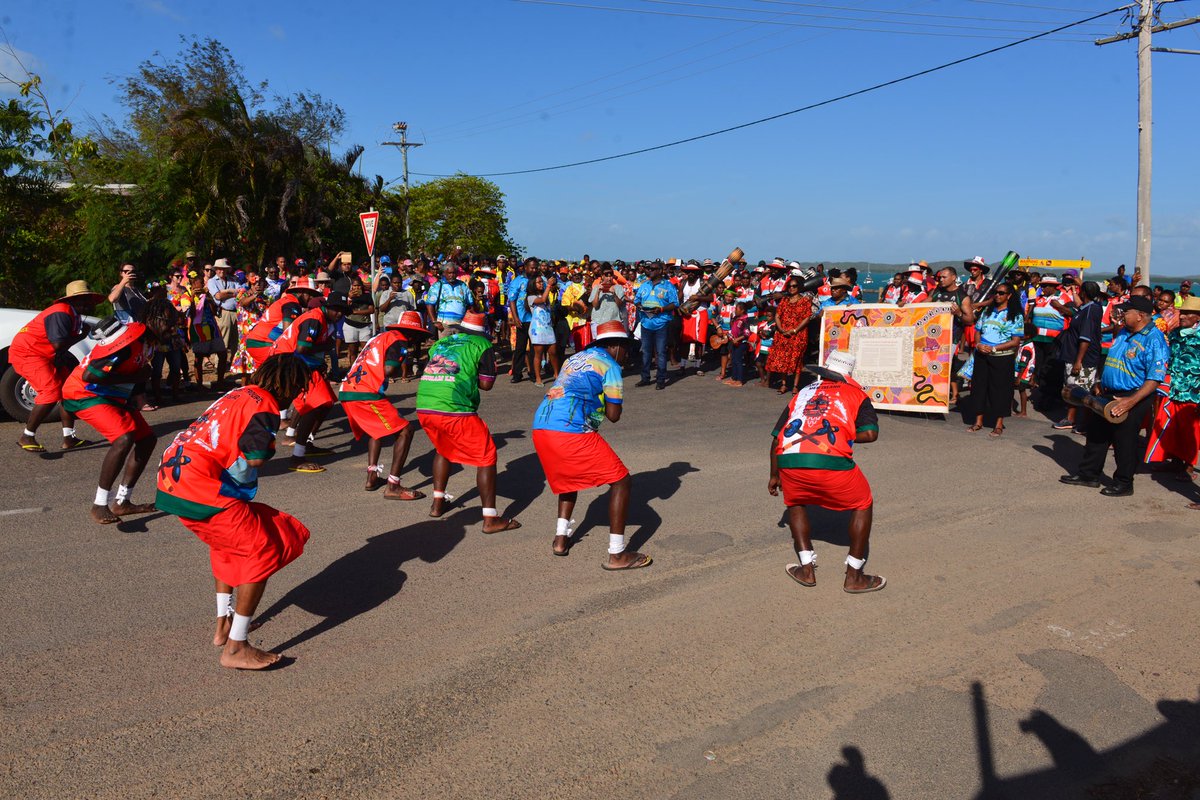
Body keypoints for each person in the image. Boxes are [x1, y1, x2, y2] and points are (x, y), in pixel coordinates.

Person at [155, 354, 312, 670]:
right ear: (290, 385)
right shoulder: (265, 405)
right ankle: (236, 646)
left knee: (227, 545)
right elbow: (255, 457)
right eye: (298, 389)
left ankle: (223, 624)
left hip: (173, 481)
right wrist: (273, 438)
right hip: (202, 487)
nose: (296, 395)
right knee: (263, 549)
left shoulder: (237, 393)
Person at [531, 321, 650, 569]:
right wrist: (611, 398)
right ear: (616, 346)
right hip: (570, 429)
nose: (627, 354)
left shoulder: (575, 358)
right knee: (621, 481)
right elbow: (614, 415)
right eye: (626, 348)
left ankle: (561, 538)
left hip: (542, 423)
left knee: (568, 478)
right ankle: (617, 554)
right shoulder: (611, 366)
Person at [768, 351, 884, 593]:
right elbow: (871, 434)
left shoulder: (804, 392)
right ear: (848, 375)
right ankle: (854, 576)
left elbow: (777, 436)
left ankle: (806, 568)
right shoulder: (856, 394)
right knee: (863, 502)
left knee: (796, 502)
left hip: (787, 458)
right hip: (829, 459)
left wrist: (774, 475)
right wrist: (845, 436)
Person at [63, 299, 177, 524]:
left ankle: (122, 501)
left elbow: (134, 371)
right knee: (123, 438)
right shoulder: (128, 339)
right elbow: (90, 376)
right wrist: (136, 377)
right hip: (84, 393)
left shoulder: (150, 342)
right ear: (152, 319)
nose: (173, 327)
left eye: (176, 322)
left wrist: (136, 393)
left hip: (111, 394)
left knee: (146, 439)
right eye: (169, 322)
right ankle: (99, 504)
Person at [415, 311, 521, 532]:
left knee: (443, 449)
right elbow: (486, 384)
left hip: (425, 405)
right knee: (486, 457)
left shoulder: (441, 343)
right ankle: (491, 519)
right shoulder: (482, 345)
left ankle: (437, 503)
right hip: (454, 408)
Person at [1060, 294, 1168, 497]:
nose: (1122, 314)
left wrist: (1131, 401)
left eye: (1127, 311)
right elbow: (1111, 359)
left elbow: (1155, 378)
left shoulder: (1155, 339)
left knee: (1124, 440)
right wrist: (1100, 381)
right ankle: (1089, 475)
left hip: (1133, 395)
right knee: (1097, 434)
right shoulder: (1124, 331)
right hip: (1108, 391)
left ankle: (1124, 483)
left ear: (1140, 315)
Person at [339, 310, 430, 500]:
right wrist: (400, 363)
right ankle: (393, 485)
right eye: (419, 336)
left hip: (348, 389)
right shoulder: (399, 341)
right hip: (365, 393)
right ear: (413, 333)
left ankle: (372, 475)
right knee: (406, 431)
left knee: (376, 430)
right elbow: (389, 369)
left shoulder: (380, 337)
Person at [12, 281, 102, 453]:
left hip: (46, 355)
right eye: (81, 299)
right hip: (28, 353)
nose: (86, 303)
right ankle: (27, 436)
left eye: (88, 299)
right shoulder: (61, 312)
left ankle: (69, 438)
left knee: (67, 391)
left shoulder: (73, 313)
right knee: (50, 392)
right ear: (71, 300)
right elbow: (58, 344)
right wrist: (82, 335)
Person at [269, 292, 350, 473]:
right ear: (327, 307)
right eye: (336, 309)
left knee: (326, 402)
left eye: (342, 311)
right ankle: (297, 456)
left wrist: (320, 362)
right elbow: (302, 348)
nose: (339, 314)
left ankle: (305, 443)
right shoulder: (314, 319)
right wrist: (326, 347)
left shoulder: (324, 320)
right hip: (288, 363)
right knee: (315, 404)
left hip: (297, 363)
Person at [1145, 296, 1200, 492]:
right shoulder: (1176, 334)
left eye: (1187, 313)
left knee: (1190, 432)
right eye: (1182, 312)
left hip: (1193, 392)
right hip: (1173, 388)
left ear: (1198, 317)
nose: (1182, 316)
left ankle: (1188, 466)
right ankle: (1175, 461)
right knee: (1172, 427)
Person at [968, 281, 1023, 438]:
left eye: (1001, 293)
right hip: (982, 355)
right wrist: (978, 344)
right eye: (996, 292)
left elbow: (1015, 341)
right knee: (979, 388)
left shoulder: (1014, 315)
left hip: (1002, 358)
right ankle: (978, 421)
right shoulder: (987, 311)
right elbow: (978, 330)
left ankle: (998, 423)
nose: (997, 295)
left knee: (1000, 390)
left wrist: (994, 348)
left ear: (1009, 296)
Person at [1050, 281, 1104, 434]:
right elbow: (1080, 303)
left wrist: (1078, 361)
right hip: (1073, 356)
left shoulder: (1090, 310)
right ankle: (1072, 419)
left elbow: (1085, 338)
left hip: (1082, 360)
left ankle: (1083, 423)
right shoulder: (1086, 307)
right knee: (1072, 389)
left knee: (1082, 392)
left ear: (1084, 293)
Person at [243, 276, 321, 370]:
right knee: (279, 374)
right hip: (264, 343)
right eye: (310, 294)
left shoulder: (287, 300)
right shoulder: (292, 304)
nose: (312, 298)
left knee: (265, 376)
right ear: (301, 292)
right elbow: (288, 334)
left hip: (256, 341)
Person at [633, 260, 680, 390]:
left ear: (660, 271)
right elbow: (636, 300)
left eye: (653, 269)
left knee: (660, 352)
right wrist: (639, 306)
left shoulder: (668, 286)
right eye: (649, 269)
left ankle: (661, 379)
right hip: (646, 322)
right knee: (646, 352)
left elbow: (675, 303)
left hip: (661, 323)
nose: (650, 271)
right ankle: (645, 378)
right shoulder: (644, 285)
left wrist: (661, 309)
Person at [765, 276, 815, 395]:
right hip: (783, 334)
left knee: (797, 359)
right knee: (783, 359)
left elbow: (806, 318)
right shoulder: (785, 300)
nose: (792, 288)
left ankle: (795, 386)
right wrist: (781, 329)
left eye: (794, 286)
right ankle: (783, 384)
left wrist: (794, 330)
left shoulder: (805, 301)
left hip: (798, 334)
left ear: (799, 287)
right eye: (790, 286)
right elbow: (777, 315)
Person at [206, 259, 241, 384]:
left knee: (235, 341)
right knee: (223, 341)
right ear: (216, 269)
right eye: (219, 269)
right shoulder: (211, 281)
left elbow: (240, 293)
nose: (222, 271)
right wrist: (232, 292)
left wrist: (225, 292)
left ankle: (233, 365)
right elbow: (218, 296)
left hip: (236, 312)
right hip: (223, 312)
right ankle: (218, 366)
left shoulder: (234, 279)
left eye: (224, 268)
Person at [506, 258, 538, 382]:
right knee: (520, 348)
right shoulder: (517, 281)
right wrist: (515, 317)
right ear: (525, 267)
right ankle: (517, 374)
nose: (534, 270)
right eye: (532, 267)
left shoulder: (539, 280)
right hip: (522, 319)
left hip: (536, 320)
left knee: (535, 349)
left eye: (536, 267)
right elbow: (512, 300)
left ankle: (534, 373)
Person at [527, 275, 560, 386]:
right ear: (533, 284)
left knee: (553, 352)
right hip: (537, 329)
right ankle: (538, 378)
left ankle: (556, 374)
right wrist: (549, 285)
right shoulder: (531, 297)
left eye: (542, 282)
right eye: (538, 282)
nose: (541, 284)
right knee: (538, 354)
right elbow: (542, 300)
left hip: (548, 327)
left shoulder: (546, 294)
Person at [424, 261, 471, 338]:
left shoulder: (463, 286)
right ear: (444, 273)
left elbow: (470, 304)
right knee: (444, 348)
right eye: (449, 273)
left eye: (454, 273)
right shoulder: (437, 286)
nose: (451, 275)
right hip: (444, 326)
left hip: (460, 325)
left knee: (458, 348)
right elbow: (429, 304)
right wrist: (435, 322)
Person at [342, 273, 376, 365]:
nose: (357, 288)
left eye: (358, 285)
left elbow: (371, 310)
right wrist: (349, 298)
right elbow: (344, 309)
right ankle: (353, 371)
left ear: (361, 286)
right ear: (351, 286)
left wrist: (356, 312)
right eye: (354, 285)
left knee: (365, 351)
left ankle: (365, 371)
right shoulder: (347, 295)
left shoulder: (367, 296)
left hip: (364, 326)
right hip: (350, 325)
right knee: (353, 352)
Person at [726, 301, 752, 387]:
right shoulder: (735, 318)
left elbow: (747, 333)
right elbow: (732, 329)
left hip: (741, 343)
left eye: (736, 309)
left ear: (742, 310)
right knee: (733, 360)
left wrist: (738, 339)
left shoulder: (745, 320)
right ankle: (734, 378)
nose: (735, 310)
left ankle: (740, 380)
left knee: (738, 361)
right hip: (734, 342)